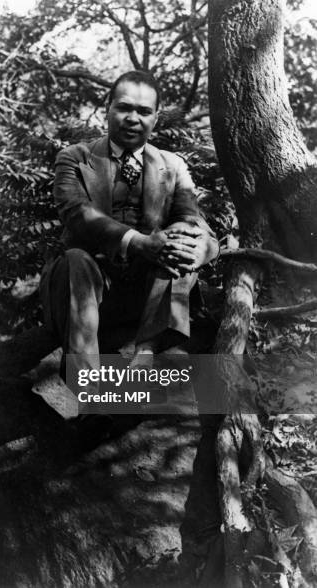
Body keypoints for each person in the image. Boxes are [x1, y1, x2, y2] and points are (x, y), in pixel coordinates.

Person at [40, 71, 219, 405]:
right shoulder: (75, 158)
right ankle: (88, 390)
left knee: (180, 245)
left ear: (155, 117)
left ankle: (145, 356)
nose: (133, 118)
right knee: (74, 260)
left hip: (149, 295)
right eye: (124, 108)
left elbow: (196, 223)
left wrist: (189, 247)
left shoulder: (173, 165)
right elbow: (77, 214)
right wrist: (139, 242)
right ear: (107, 109)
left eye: (144, 111)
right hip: (88, 290)